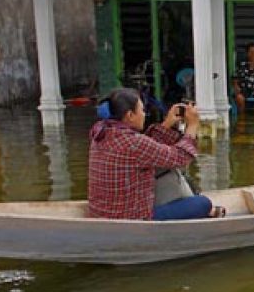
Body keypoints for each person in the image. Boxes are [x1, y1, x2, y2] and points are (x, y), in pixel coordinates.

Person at [88, 88, 224, 220]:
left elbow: (148, 150)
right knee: (203, 203)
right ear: (130, 115)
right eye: (142, 110)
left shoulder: (102, 132)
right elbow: (181, 157)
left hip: (102, 211)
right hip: (131, 216)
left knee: (169, 172)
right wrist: (193, 126)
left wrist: (167, 124)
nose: (144, 114)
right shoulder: (133, 143)